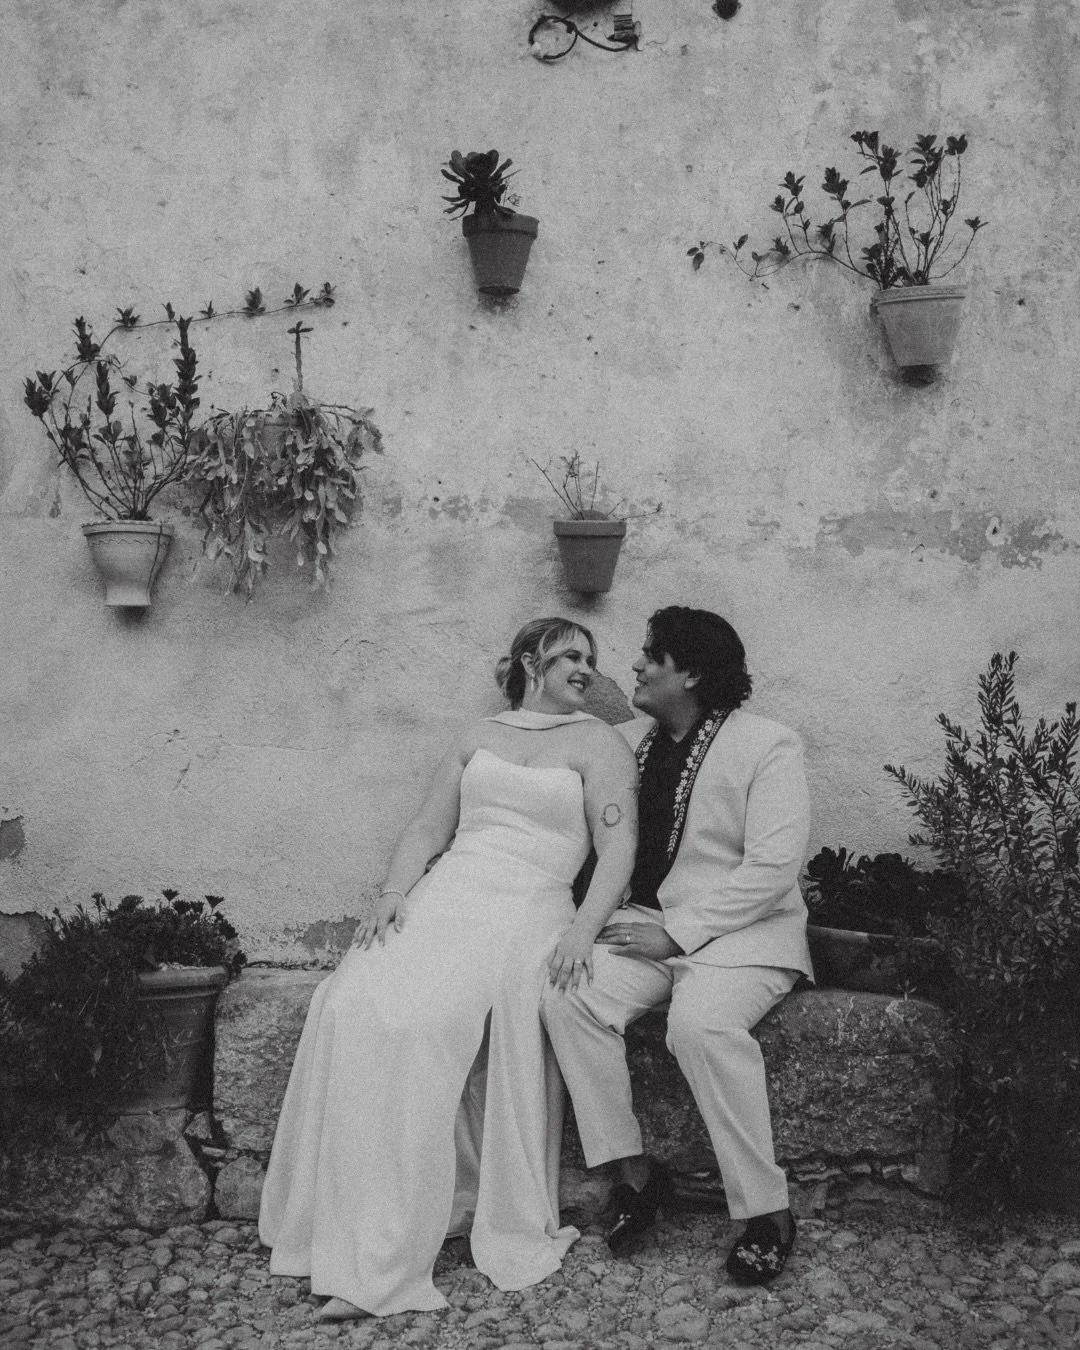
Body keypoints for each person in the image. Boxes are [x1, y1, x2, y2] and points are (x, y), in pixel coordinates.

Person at [259, 617, 639, 1318]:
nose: (586, 668)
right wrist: (395, 893)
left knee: (426, 1026)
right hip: (451, 891)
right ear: (531, 660)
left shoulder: (599, 742)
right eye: (570, 655)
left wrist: (585, 930)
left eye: (592, 657)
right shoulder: (478, 735)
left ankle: (386, 1258)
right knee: (347, 1002)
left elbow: (617, 849)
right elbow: (429, 828)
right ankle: (332, 1220)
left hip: (529, 903)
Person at [540, 606, 812, 1285]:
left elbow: (773, 866)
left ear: (689, 672)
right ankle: (635, 1176)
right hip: (643, 927)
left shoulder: (769, 744)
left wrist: (679, 933)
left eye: (649, 655)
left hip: (744, 938)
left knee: (700, 1025)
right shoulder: (627, 740)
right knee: (568, 993)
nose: (633, 666)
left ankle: (766, 1214)